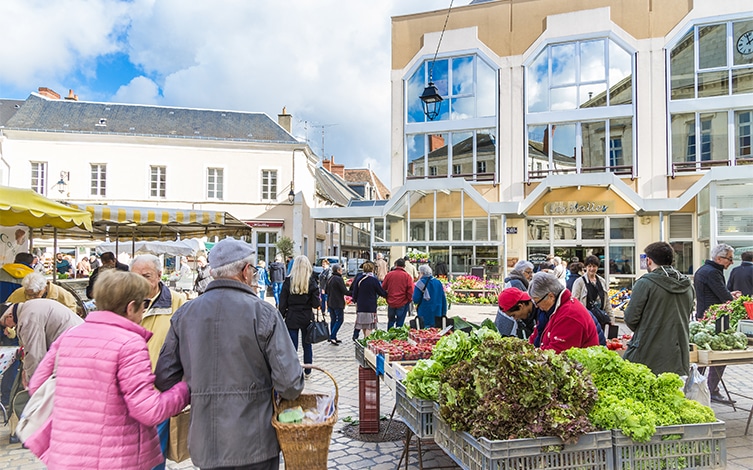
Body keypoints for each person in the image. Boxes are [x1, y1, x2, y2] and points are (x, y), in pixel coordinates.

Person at [156, 238, 303, 470]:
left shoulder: (185, 314)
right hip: (255, 443)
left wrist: (199, 389)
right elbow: (290, 383)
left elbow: (164, 377)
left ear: (214, 272)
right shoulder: (264, 313)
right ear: (246, 271)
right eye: (253, 270)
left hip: (206, 442)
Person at [24, 270, 190, 469]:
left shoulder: (70, 334)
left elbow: (37, 386)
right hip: (117, 458)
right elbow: (149, 410)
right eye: (144, 304)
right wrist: (184, 390)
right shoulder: (129, 343)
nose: (144, 310)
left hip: (66, 455)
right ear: (131, 307)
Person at [130, 254, 188, 468]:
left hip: (158, 392)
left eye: (147, 276)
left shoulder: (176, 302)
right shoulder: (123, 300)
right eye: (136, 276)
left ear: (159, 276)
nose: (141, 281)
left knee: (152, 456)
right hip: (127, 392)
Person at [623, 242, 694, 376]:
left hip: (648, 353)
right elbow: (689, 313)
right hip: (679, 355)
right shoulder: (687, 285)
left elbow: (631, 318)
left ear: (649, 261)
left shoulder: (645, 283)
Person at [694, 243, 741, 404]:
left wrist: (729, 294)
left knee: (701, 357)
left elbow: (717, 293)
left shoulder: (703, 270)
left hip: (704, 317)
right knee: (718, 357)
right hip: (715, 320)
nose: (731, 262)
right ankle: (711, 389)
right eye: (729, 259)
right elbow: (724, 297)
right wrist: (732, 297)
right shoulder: (713, 273)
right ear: (719, 258)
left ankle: (697, 388)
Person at [0, 298, 83, 386]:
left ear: (9, 316)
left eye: (4, 325)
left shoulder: (27, 318)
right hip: (79, 341)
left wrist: (32, 383)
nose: (6, 330)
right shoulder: (29, 306)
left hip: (75, 348)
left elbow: (35, 354)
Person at [528, 272, 599, 354]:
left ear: (551, 296)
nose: (536, 306)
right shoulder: (552, 310)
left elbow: (557, 352)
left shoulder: (569, 316)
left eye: (537, 301)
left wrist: (533, 353)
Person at [279, 255, 320, 377]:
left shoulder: (288, 281)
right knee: (307, 345)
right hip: (306, 316)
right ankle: (308, 370)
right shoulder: (311, 281)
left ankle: (292, 370)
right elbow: (316, 303)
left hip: (292, 315)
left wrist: (281, 315)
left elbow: (282, 302)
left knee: (292, 346)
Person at [571, 255, 614, 329]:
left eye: (594, 266)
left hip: (600, 318)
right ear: (586, 267)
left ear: (597, 267)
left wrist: (611, 318)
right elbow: (575, 302)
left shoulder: (602, 281)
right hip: (586, 319)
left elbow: (607, 302)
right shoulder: (579, 282)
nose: (592, 269)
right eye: (589, 266)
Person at [7, 272, 77, 313]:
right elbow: (8, 309)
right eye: (28, 294)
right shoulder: (19, 293)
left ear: (44, 287)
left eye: (35, 294)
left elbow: (72, 312)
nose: (31, 297)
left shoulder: (62, 294)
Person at [351, 261, 387, 338]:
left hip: (361, 305)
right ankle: (367, 340)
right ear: (372, 269)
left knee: (363, 325)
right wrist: (387, 294)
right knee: (369, 326)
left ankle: (364, 338)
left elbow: (354, 292)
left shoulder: (359, 279)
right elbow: (380, 291)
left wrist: (355, 301)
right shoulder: (373, 280)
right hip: (370, 306)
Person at [382, 258, 414, 330]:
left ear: (396, 265)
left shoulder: (389, 275)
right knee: (400, 321)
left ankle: (390, 334)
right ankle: (398, 337)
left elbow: (383, 287)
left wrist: (386, 296)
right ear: (404, 266)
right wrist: (409, 299)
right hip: (403, 301)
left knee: (391, 320)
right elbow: (410, 290)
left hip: (391, 301)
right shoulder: (407, 276)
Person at [413, 264, 448, 328]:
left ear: (422, 273)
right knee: (436, 331)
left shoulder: (420, 283)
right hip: (438, 311)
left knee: (425, 332)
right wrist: (444, 312)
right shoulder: (438, 282)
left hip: (425, 311)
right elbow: (443, 299)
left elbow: (416, 299)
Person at [326, 263, 348, 345]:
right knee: (340, 320)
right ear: (338, 270)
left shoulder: (330, 278)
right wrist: (353, 293)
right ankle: (332, 336)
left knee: (333, 319)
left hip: (330, 301)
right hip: (338, 302)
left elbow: (326, 290)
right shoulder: (339, 279)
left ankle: (333, 337)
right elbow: (344, 291)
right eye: (341, 270)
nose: (342, 271)